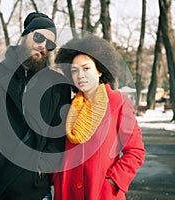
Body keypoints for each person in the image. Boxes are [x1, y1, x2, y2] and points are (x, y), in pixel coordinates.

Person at [0, 12, 71, 200]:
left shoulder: (58, 86)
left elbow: (58, 135)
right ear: (25, 35)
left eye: (49, 44)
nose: (43, 46)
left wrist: (44, 165)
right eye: (38, 37)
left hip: (36, 190)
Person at [52, 35, 145, 200]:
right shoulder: (69, 107)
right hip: (67, 193)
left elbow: (135, 150)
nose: (80, 75)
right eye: (74, 70)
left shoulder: (118, 102)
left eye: (86, 68)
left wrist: (114, 179)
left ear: (100, 70)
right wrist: (57, 178)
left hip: (101, 192)